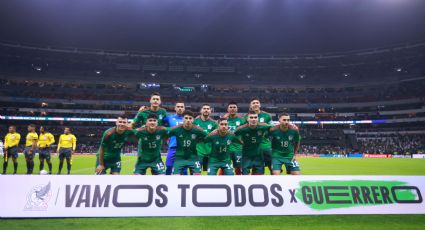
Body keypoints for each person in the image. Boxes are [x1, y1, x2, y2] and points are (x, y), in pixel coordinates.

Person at [169, 110, 207, 175]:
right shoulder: (176, 129)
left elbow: (209, 137)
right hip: (179, 158)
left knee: (197, 176)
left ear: (193, 120)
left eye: (190, 118)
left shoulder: (198, 130)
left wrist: (201, 140)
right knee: (175, 177)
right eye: (186, 118)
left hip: (193, 158)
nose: (188, 120)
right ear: (182, 119)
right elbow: (164, 134)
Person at [244, 97, 273, 174]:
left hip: (265, 146)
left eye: (257, 103)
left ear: (260, 105)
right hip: (252, 147)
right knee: (255, 169)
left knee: (272, 167)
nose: (255, 104)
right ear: (250, 106)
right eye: (253, 103)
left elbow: (272, 129)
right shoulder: (245, 117)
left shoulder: (267, 116)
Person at [236, 111, 270, 175]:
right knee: (245, 176)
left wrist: (266, 136)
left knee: (259, 177)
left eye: (255, 117)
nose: (253, 119)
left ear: (258, 118)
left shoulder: (263, 126)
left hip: (258, 155)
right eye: (251, 117)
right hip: (246, 156)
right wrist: (239, 141)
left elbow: (273, 129)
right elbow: (231, 135)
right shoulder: (242, 129)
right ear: (247, 119)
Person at [163, 101, 189, 175]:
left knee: (184, 170)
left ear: (184, 108)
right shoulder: (169, 118)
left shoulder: (188, 119)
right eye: (178, 107)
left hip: (184, 148)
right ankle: (167, 184)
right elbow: (157, 119)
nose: (180, 108)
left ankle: (185, 185)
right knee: (169, 167)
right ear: (175, 108)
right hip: (173, 146)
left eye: (181, 107)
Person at [222, 101, 246, 175]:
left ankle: (237, 183)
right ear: (227, 109)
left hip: (238, 148)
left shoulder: (242, 120)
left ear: (237, 109)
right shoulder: (223, 120)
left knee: (238, 168)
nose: (232, 109)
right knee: (224, 167)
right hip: (226, 148)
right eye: (231, 107)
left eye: (234, 107)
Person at [193, 104, 218, 172]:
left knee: (209, 174)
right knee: (196, 172)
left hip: (210, 152)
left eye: (208, 108)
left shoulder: (214, 123)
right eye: (204, 108)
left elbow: (215, 137)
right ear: (201, 110)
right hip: (198, 151)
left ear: (210, 111)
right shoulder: (195, 122)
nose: (206, 110)